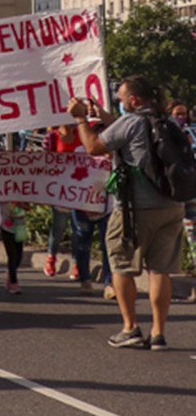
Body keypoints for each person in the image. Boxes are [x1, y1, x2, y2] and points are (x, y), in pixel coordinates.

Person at [72, 79, 186, 350]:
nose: (120, 102)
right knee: (160, 271)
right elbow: (129, 132)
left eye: (122, 98)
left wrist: (80, 119)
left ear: (134, 100)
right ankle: (158, 333)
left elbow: (94, 146)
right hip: (171, 206)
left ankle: (130, 327)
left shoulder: (130, 122)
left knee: (122, 265)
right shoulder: (166, 121)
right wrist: (104, 115)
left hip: (135, 210)